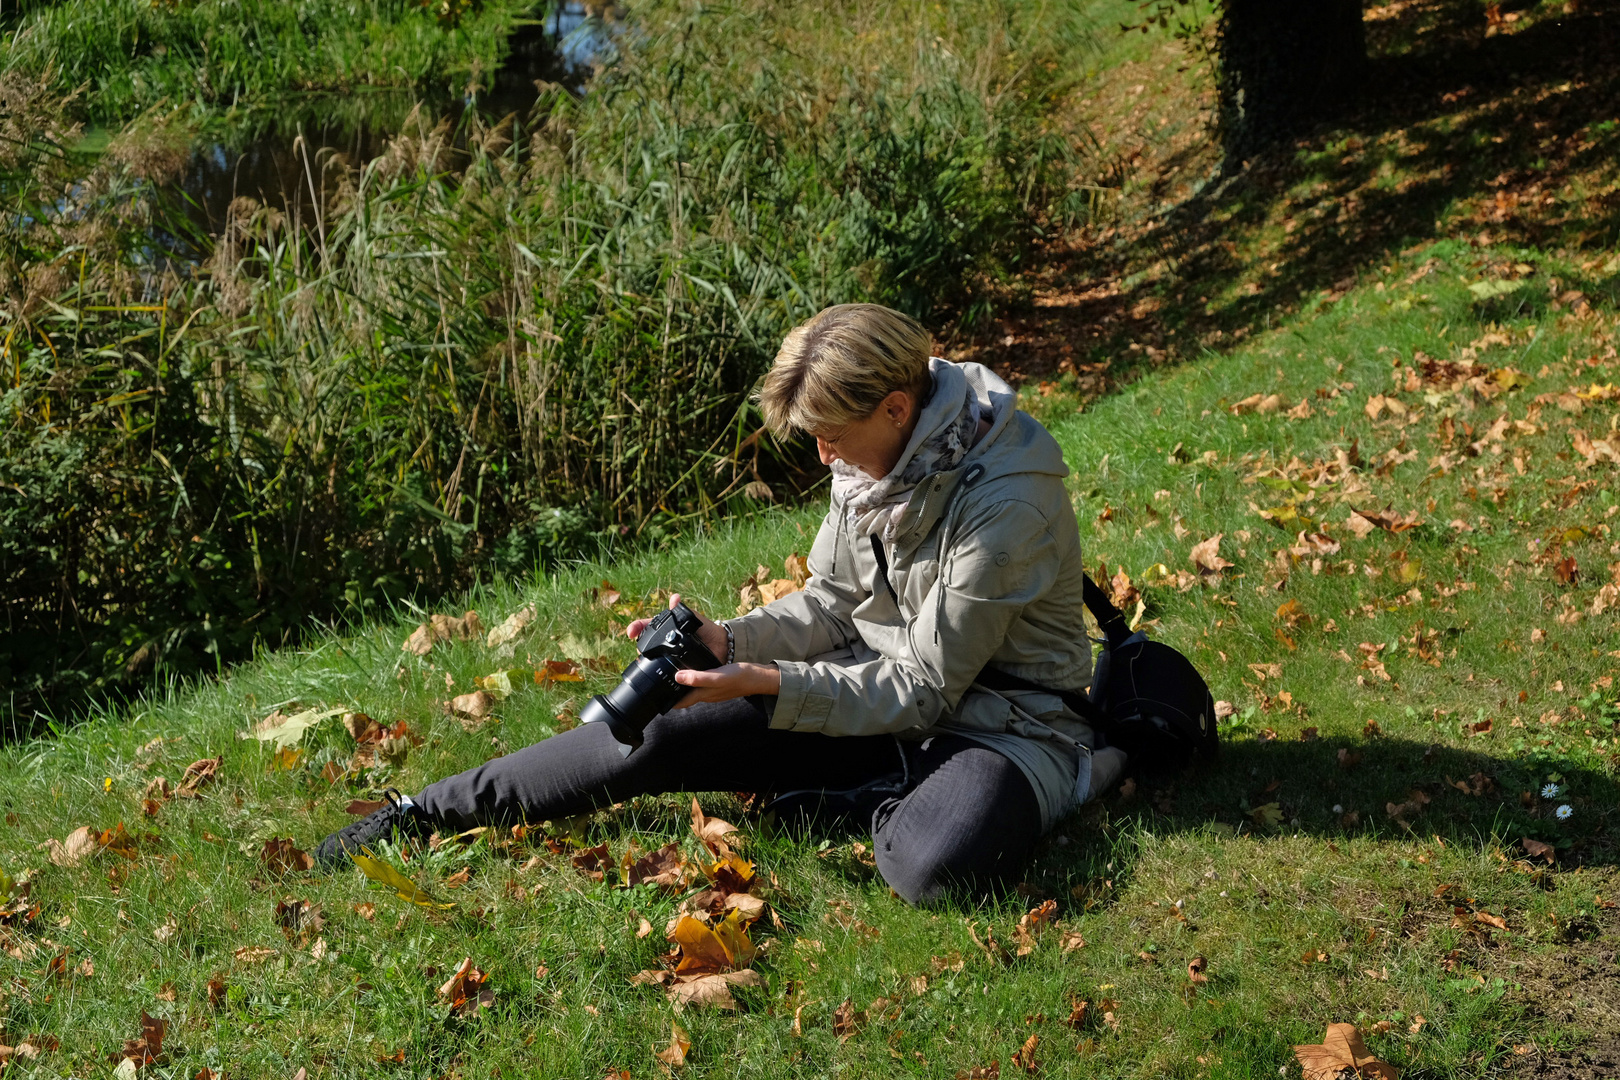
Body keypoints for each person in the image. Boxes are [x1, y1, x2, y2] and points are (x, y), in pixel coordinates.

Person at [315, 303, 1126, 903]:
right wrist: (727, 640)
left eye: (832, 435)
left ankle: (1073, 772)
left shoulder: (1005, 502)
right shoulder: (874, 462)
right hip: (877, 692)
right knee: (663, 731)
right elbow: (835, 605)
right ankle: (424, 811)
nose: (822, 456)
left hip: (1003, 725)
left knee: (934, 866)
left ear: (896, 407)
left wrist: (776, 687)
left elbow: (926, 686)